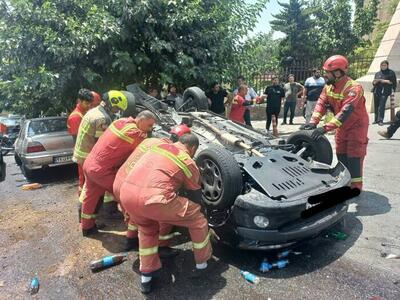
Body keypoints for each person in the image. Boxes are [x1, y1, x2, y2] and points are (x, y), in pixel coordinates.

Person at [119, 133, 212, 294]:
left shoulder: (158, 147)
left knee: (147, 230)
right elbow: (195, 194)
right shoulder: (186, 160)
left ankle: (146, 277)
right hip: (154, 199)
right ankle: (202, 265)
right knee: (198, 220)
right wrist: (203, 210)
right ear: (193, 148)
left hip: (127, 195)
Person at [113, 124, 192, 250]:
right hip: (134, 187)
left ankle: (131, 240)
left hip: (120, 183)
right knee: (164, 216)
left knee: (135, 213)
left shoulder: (151, 141)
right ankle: (162, 247)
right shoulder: (168, 151)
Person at [80, 110, 157, 236]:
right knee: (125, 195)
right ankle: (134, 233)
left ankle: (87, 227)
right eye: (149, 126)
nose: (150, 129)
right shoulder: (135, 134)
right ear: (141, 120)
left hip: (89, 164)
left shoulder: (120, 122)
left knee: (90, 196)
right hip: (102, 171)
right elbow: (144, 150)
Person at [304, 55, 369, 191]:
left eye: (327, 72)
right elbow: (321, 103)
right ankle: (345, 182)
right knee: (341, 154)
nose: (324, 75)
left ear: (338, 73)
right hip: (341, 127)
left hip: (356, 126)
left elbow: (345, 112)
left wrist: (325, 128)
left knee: (354, 156)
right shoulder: (329, 87)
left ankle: (356, 187)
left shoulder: (353, 89)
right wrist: (313, 122)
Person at [74, 90, 132, 223]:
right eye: (116, 108)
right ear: (110, 104)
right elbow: (102, 143)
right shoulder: (102, 118)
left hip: (83, 152)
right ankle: (103, 213)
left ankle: (90, 216)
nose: (116, 111)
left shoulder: (94, 111)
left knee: (89, 186)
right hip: (88, 155)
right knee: (94, 186)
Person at [67, 89, 98, 195]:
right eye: (86, 103)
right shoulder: (76, 117)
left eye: (90, 103)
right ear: (79, 101)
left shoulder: (82, 114)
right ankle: (83, 204)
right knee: (83, 180)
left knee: (85, 180)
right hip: (83, 154)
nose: (89, 106)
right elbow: (78, 139)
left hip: (85, 153)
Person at [372, 60, 397, 125]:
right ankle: (376, 120)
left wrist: (393, 90)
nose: (383, 66)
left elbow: (393, 82)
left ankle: (380, 120)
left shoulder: (391, 72)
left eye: (384, 65)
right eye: (382, 65)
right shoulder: (377, 73)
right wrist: (375, 82)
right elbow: (374, 82)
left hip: (385, 91)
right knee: (376, 106)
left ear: (387, 65)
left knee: (381, 106)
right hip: (376, 91)